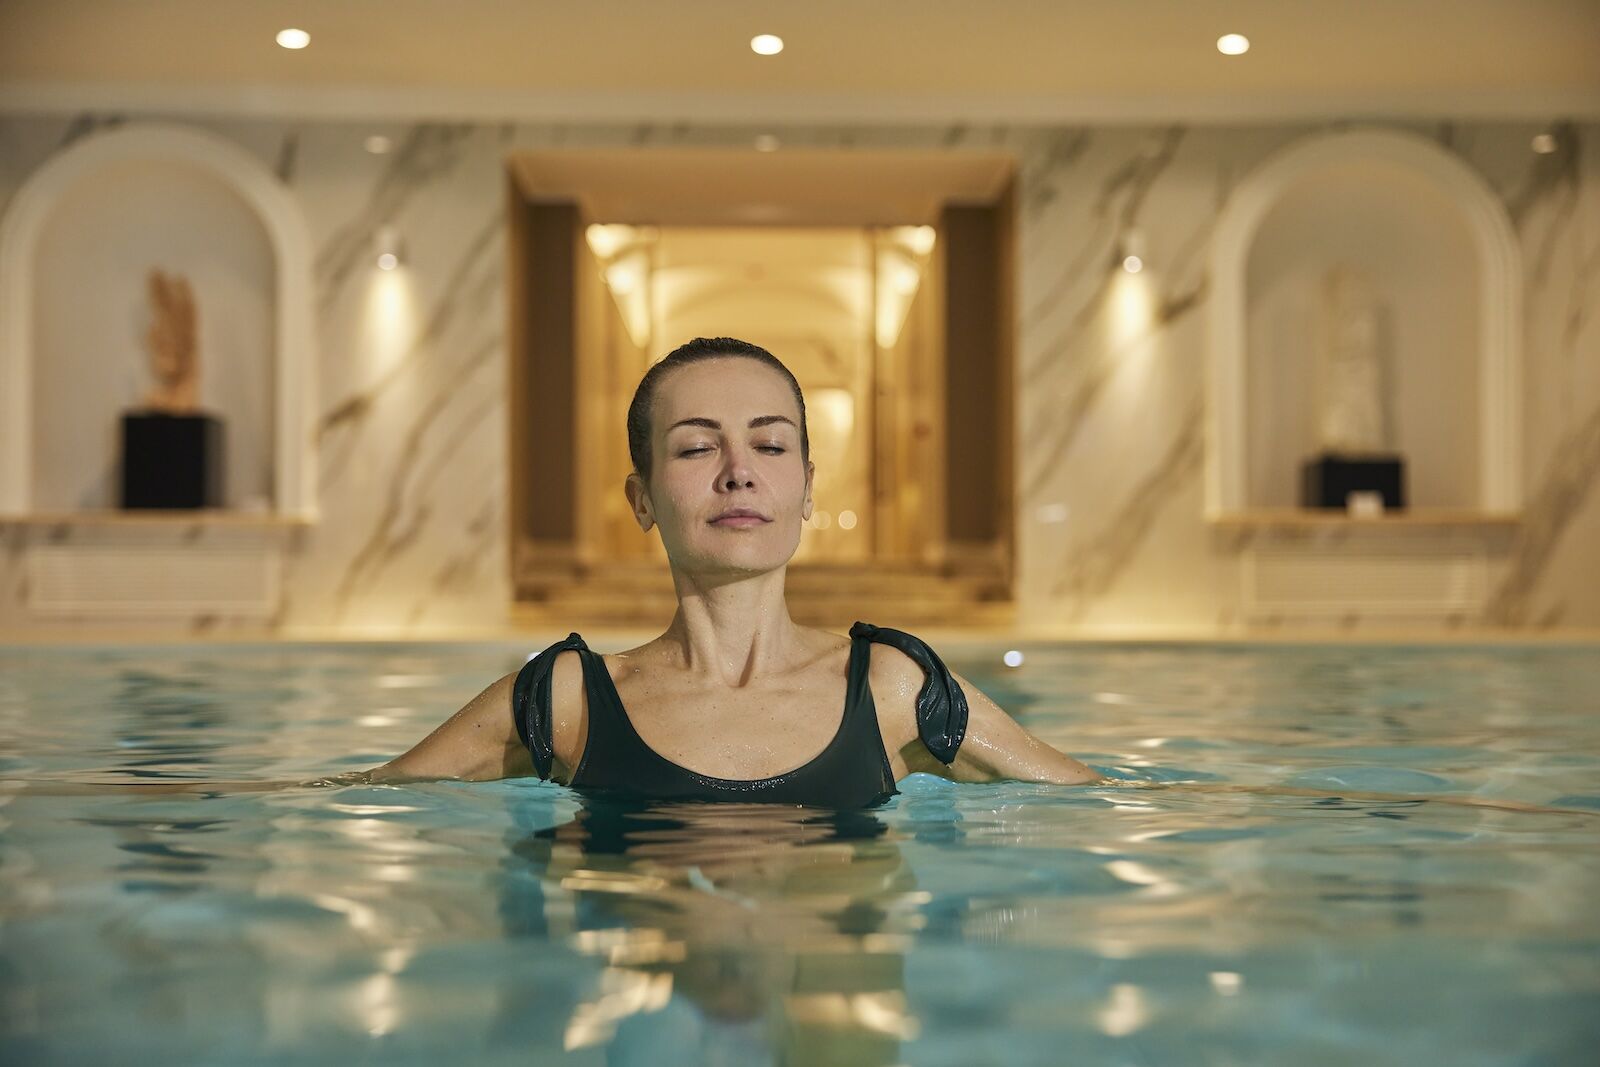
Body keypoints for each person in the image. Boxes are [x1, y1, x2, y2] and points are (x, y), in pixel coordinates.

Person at [374, 336, 1102, 804]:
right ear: (642, 497)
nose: (739, 474)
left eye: (772, 446)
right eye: (696, 448)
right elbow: (359, 799)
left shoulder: (890, 686)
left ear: (808, 487)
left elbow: (1090, 800)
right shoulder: (566, 700)